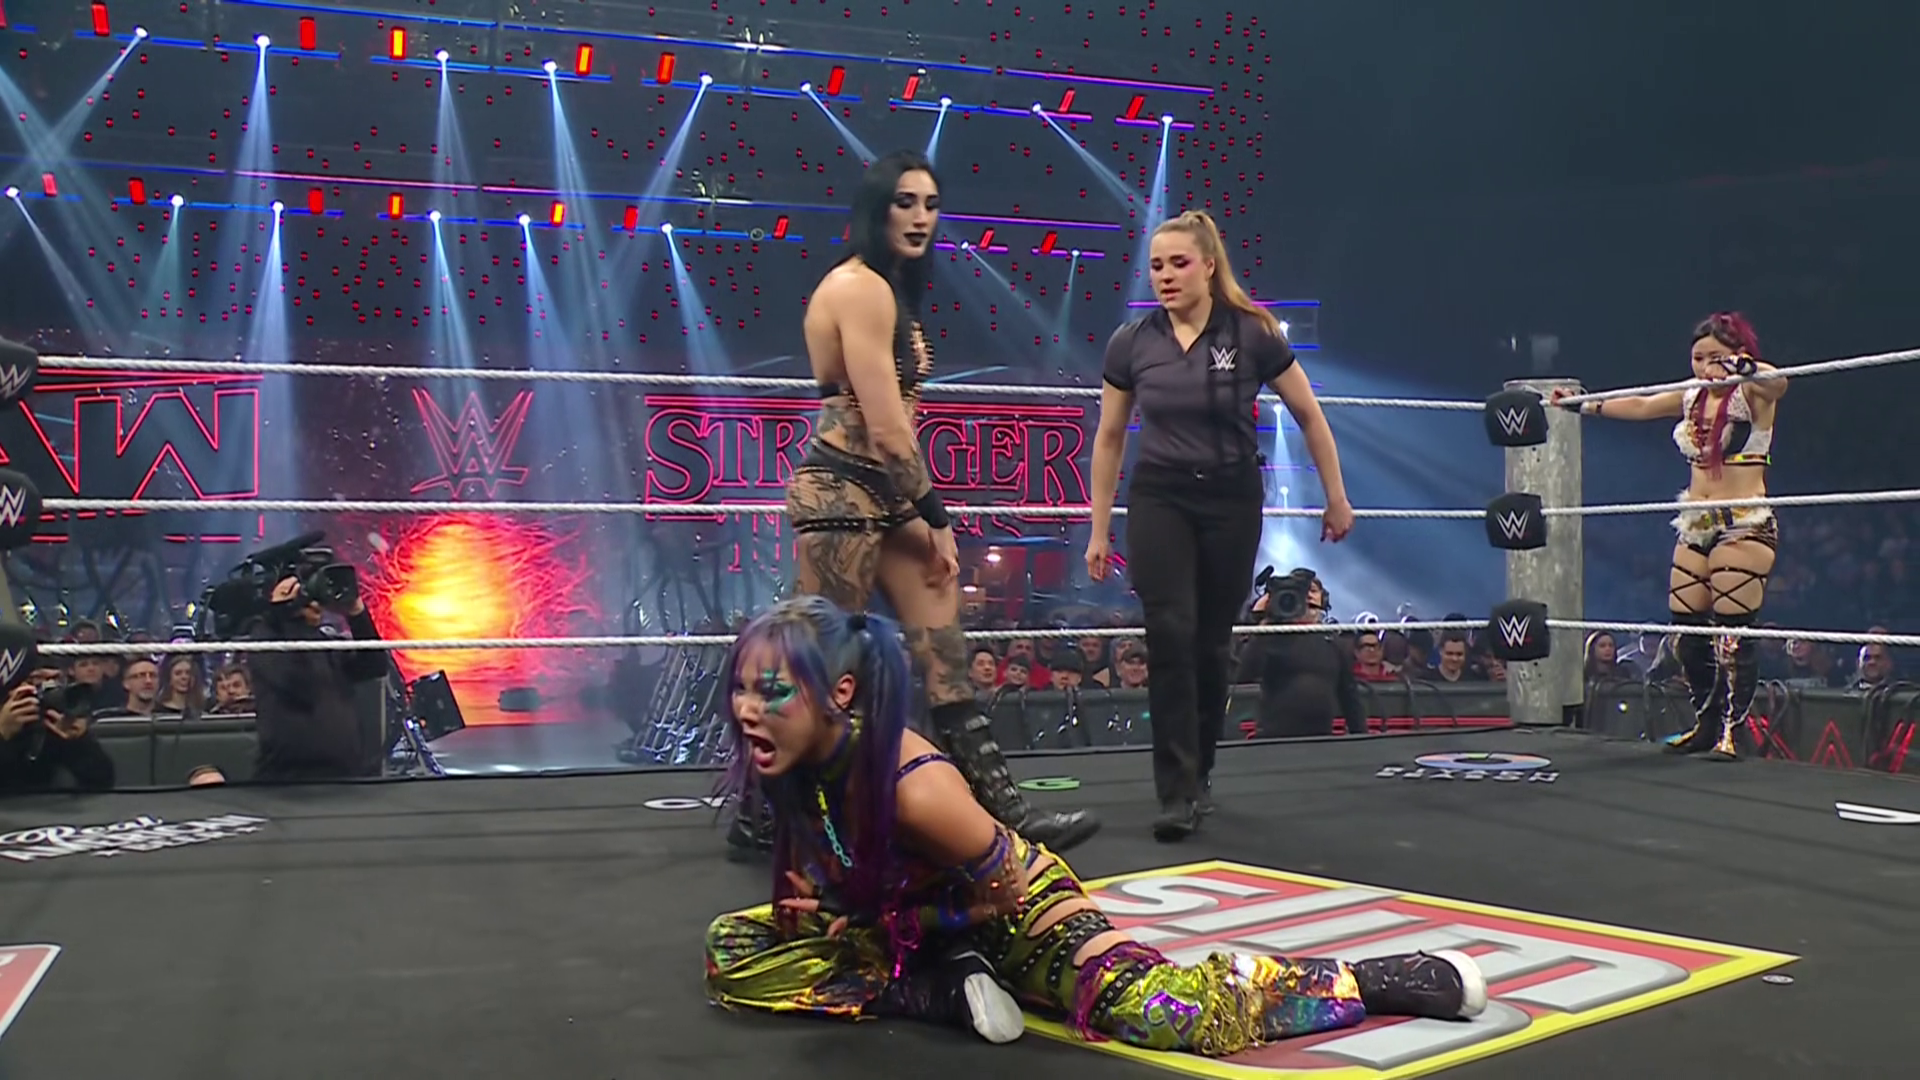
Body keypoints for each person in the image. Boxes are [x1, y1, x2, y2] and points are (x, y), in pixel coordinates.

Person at [703, 597, 1486, 1051]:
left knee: (1164, 1013)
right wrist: (838, 904)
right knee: (732, 944)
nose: (747, 709)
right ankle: (935, 987)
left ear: (840, 695)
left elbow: (1002, 893)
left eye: (771, 691)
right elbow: (839, 872)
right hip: (924, 917)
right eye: (741, 688)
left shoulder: (917, 789)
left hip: (1014, 912)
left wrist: (885, 920)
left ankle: (1384, 977)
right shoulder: (798, 762)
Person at [779, 149, 1096, 851]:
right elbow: (887, 427)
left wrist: (918, 509)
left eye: (930, 204)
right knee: (822, 663)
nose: (920, 217)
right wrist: (938, 516)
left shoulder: (889, 290)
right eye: (905, 202)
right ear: (877, 208)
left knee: (945, 651)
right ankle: (770, 814)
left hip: (887, 493)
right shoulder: (859, 287)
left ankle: (1002, 813)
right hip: (842, 491)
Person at [1084, 210, 1354, 840]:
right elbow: (1109, 437)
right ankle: (1175, 790)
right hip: (1161, 496)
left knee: (1209, 644)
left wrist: (1335, 497)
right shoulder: (1132, 342)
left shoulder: (1251, 333)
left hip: (1231, 497)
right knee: (1169, 633)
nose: (1165, 276)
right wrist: (1098, 528)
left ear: (1208, 266)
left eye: (1178, 263)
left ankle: (1200, 770)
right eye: (1157, 265)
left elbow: (1309, 414)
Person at [1554, 312, 1787, 761]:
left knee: (1733, 634)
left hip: (1743, 521)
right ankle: (1705, 722)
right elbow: (1642, 405)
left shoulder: (1753, 392)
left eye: (1715, 357)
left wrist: (1746, 368)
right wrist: (1583, 405)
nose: (1705, 367)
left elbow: (1779, 383)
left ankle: (1732, 732)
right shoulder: (1692, 395)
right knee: (1687, 631)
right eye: (1698, 357)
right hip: (1696, 522)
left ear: (1737, 355)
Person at [249, 572, 390, 780]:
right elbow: (297, 683)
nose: (315, 604)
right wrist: (287, 612)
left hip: (344, 774)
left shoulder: (327, 643)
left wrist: (356, 613)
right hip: (287, 778)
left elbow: (375, 665)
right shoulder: (265, 637)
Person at [1234, 573, 1368, 738]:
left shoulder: (1333, 643)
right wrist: (1263, 623)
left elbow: (1350, 697)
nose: (1308, 596)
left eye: (1312, 590)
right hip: (1274, 739)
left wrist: (1362, 739)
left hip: (1320, 739)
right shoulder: (1272, 638)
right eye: (1302, 592)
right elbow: (1243, 676)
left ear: (1322, 600)